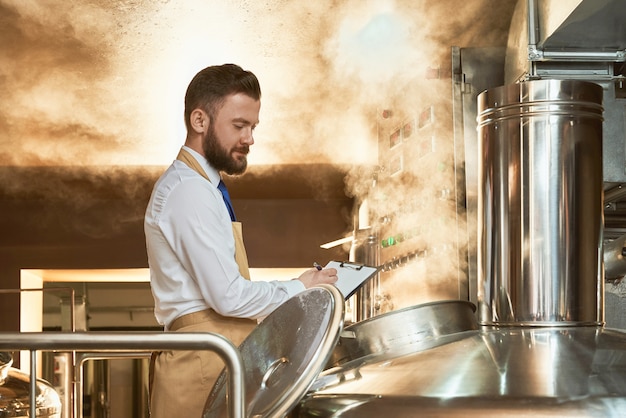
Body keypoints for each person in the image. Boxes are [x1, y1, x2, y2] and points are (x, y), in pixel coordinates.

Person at [144, 63, 338, 417]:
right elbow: (228, 297)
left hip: (214, 357)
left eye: (252, 127)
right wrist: (299, 287)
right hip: (202, 364)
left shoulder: (204, 188)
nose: (249, 138)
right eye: (239, 126)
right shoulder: (189, 191)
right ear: (199, 121)